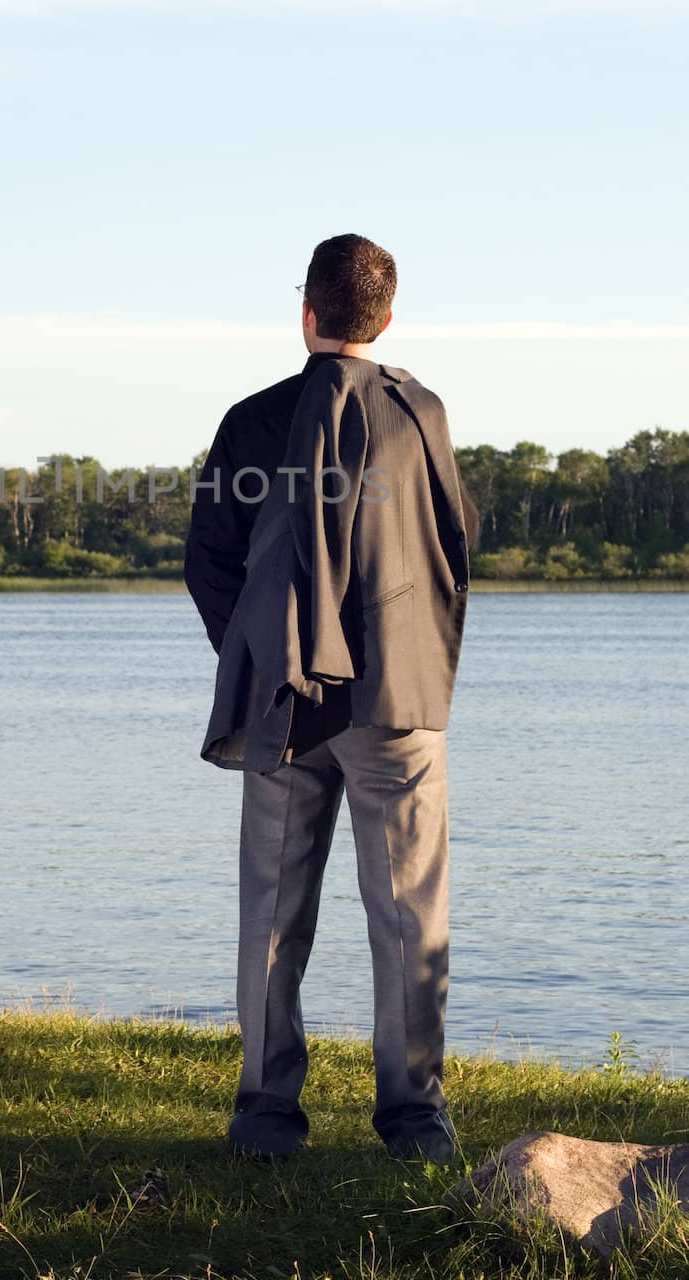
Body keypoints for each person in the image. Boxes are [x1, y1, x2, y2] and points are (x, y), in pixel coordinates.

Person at [184, 233, 480, 1166]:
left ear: (305, 311)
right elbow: (453, 544)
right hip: (395, 694)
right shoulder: (418, 411)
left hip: (283, 701)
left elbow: (208, 561)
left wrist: (268, 655)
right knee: (407, 916)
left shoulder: (250, 421)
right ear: (385, 319)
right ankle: (414, 1122)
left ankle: (267, 1119)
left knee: (272, 910)